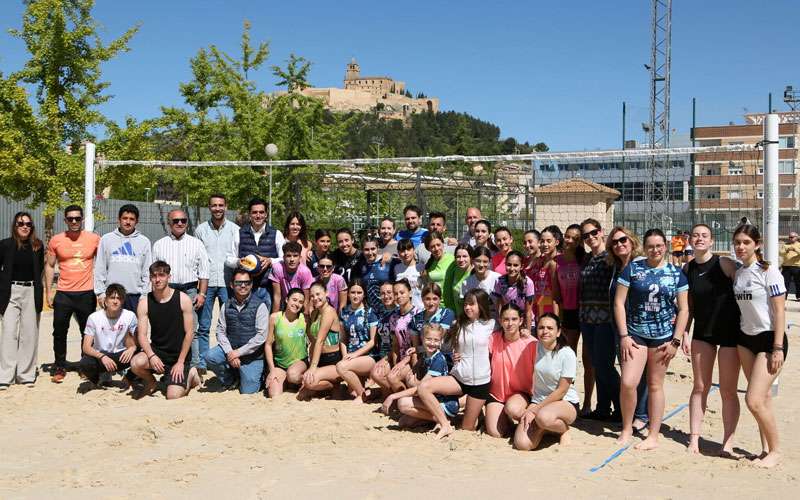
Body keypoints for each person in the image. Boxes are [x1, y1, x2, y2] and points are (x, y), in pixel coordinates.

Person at [614, 228, 689, 449]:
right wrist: (624, 335)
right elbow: (619, 303)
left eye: (659, 246)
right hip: (635, 334)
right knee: (628, 383)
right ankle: (627, 428)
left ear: (665, 246)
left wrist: (675, 341)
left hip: (663, 337)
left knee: (655, 385)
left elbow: (684, 309)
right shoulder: (633, 269)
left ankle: (653, 435)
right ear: (644, 248)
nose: (655, 250)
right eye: (650, 246)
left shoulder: (676, 273)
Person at [732, 224, 787, 468]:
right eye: (737, 242)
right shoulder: (738, 272)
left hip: (769, 339)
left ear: (757, 244)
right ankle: (765, 449)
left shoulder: (768, 271)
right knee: (762, 398)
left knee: (753, 400)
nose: (740, 247)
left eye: (745, 242)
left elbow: (779, 310)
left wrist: (777, 347)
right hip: (745, 338)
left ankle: (776, 451)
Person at [684, 223, 741, 455]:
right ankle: (694, 439)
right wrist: (684, 333)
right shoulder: (687, 270)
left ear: (711, 240)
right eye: (696, 235)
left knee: (728, 390)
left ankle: (728, 441)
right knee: (700, 386)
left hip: (730, 333)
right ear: (690, 240)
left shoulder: (725, 263)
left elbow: (749, 283)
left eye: (704, 236)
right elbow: (687, 307)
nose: (699, 239)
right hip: (703, 333)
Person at [416, 289, 496, 439]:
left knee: (467, 428)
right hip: (459, 377)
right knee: (424, 387)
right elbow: (444, 346)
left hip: (480, 382)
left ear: (481, 305)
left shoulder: (492, 325)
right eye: (465, 304)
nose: (467, 308)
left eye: (472, 304)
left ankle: (476, 412)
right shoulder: (458, 324)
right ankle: (445, 424)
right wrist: (454, 354)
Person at [45, 205, 100, 383]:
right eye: (70, 219)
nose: (74, 221)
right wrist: (48, 291)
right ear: (65, 220)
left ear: (82, 219)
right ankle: (60, 366)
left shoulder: (94, 239)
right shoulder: (56, 240)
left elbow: (103, 264)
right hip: (63, 293)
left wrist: (101, 291)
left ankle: (85, 366)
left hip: (86, 293)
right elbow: (49, 265)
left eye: (77, 218)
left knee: (88, 332)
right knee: (59, 332)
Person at [130, 261, 201, 399]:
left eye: (162, 275)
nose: (158, 279)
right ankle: (151, 382)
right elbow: (142, 336)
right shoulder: (144, 303)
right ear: (150, 278)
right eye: (154, 276)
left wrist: (180, 362)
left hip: (179, 355)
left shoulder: (183, 299)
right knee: (136, 363)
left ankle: (191, 374)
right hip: (158, 352)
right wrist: (151, 355)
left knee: (173, 396)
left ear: (169, 276)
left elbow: (189, 333)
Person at [152, 208, 210, 370]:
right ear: (169, 222)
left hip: (190, 290)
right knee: (169, 329)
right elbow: (153, 273)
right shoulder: (159, 245)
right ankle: (171, 364)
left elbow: (204, 272)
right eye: (175, 220)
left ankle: (195, 365)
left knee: (192, 330)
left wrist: (202, 294)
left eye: (183, 220)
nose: (179, 223)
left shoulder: (196, 244)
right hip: (167, 291)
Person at [513, 313, 580, 450]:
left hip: (565, 402)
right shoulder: (534, 346)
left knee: (543, 417)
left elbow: (562, 391)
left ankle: (563, 429)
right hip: (539, 401)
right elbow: (514, 338)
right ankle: (546, 429)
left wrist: (535, 410)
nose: (545, 331)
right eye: (541, 327)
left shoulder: (567, 354)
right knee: (522, 444)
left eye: (550, 328)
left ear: (558, 332)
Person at [607, 226, 649, 431]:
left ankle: (642, 415)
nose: (619, 244)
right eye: (614, 242)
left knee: (636, 375)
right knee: (628, 371)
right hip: (619, 327)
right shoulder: (616, 266)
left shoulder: (640, 265)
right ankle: (633, 414)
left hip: (637, 327)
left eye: (623, 240)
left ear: (632, 241)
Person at [578, 218, 620, 421]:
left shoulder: (611, 258)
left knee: (605, 365)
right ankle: (603, 408)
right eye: (585, 235)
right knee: (596, 363)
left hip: (606, 319)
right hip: (587, 318)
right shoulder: (586, 259)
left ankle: (621, 407)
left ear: (601, 231)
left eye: (593, 232)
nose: (590, 237)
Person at [381, 324, 461, 428]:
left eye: (436, 340)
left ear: (441, 341)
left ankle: (443, 419)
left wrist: (393, 396)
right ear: (422, 339)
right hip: (433, 400)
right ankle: (437, 419)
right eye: (429, 339)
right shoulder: (426, 356)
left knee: (403, 403)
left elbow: (420, 388)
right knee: (404, 422)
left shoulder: (438, 360)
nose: (432, 343)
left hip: (445, 403)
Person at [202, 269, 268, 394]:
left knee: (248, 391)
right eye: (239, 283)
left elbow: (261, 337)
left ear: (251, 284)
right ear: (232, 285)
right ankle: (230, 379)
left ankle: (251, 374)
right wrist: (230, 352)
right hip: (232, 350)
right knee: (210, 356)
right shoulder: (226, 305)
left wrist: (238, 353)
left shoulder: (260, 306)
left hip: (252, 356)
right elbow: (220, 331)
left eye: (247, 283)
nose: (243, 286)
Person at [194, 194, 239, 373]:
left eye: (221, 205)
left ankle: (227, 360)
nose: (218, 208)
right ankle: (204, 364)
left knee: (229, 325)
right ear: (209, 207)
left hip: (228, 283)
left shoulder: (235, 230)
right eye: (214, 205)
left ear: (226, 207)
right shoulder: (200, 230)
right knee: (204, 326)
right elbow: (197, 257)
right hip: (207, 282)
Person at [0, 212, 45, 388]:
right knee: (9, 333)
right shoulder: (5, 245)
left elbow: (40, 269)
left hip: (31, 291)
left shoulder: (37, 246)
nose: (25, 226)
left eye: (28, 224)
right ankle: (5, 376)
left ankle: (25, 375)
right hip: (10, 292)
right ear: (15, 226)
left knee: (29, 334)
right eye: (21, 223)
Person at [553, 223, 592, 414]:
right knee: (568, 357)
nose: (570, 241)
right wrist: (557, 320)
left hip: (585, 312)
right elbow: (556, 296)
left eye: (575, 238)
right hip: (567, 313)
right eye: (568, 236)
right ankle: (569, 399)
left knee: (588, 360)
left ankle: (587, 404)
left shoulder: (585, 259)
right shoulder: (556, 261)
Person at [484, 304, 537, 438]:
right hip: (496, 394)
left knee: (512, 409)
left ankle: (537, 424)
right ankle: (509, 422)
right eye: (506, 319)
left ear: (521, 321)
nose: (510, 323)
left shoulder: (530, 343)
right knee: (495, 432)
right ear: (500, 321)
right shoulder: (493, 339)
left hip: (521, 393)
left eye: (514, 319)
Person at [227, 197, 284, 310]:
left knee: (265, 325)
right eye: (254, 212)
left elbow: (284, 259)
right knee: (245, 325)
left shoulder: (276, 234)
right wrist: (239, 262)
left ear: (266, 214)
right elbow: (228, 259)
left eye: (261, 212)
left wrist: (270, 261)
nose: (258, 215)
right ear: (249, 214)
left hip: (267, 288)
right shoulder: (239, 233)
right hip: (245, 289)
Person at [94, 203, 152, 313]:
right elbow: (100, 268)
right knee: (111, 329)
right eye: (125, 218)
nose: (128, 222)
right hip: (112, 296)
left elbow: (147, 271)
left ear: (137, 221)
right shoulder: (106, 239)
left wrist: (144, 295)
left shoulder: (144, 242)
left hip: (135, 297)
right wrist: (100, 293)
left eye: (132, 219)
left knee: (134, 330)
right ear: (119, 219)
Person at [78, 283, 137, 387]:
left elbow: (137, 340)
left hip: (121, 355)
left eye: (119, 298)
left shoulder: (130, 316)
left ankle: (129, 377)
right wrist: (102, 357)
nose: (115, 301)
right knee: (85, 363)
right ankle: (97, 380)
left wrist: (132, 348)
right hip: (101, 356)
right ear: (106, 300)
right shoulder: (94, 318)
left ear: (123, 301)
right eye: (112, 298)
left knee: (145, 354)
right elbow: (86, 347)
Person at [298, 282, 343, 400]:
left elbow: (320, 341)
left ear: (326, 293)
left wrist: (312, 367)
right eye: (312, 296)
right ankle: (329, 385)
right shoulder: (315, 313)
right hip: (319, 359)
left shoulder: (329, 312)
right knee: (303, 392)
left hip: (333, 359)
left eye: (318, 294)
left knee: (309, 383)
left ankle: (333, 385)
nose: (315, 298)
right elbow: (312, 339)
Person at [336, 279, 378, 402]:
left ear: (364, 294)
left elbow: (372, 341)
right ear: (348, 294)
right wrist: (345, 355)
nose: (355, 295)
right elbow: (343, 338)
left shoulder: (370, 312)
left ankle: (362, 395)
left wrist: (354, 355)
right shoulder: (344, 312)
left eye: (359, 292)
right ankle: (366, 392)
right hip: (351, 356)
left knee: (341, 367)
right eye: (353, 292)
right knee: (351, 392)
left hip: (368, 357)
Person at [264, 287, 308, 397]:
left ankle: (306, 380)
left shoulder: (305, 319)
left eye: (301, 302)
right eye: (294, 300)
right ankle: (289, 383)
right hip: (280, 364)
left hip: (299, 363)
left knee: (292, 375)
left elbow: (314, 342)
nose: (297, 304)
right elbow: (268, 344)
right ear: (287, 300)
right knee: (273, 394)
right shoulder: (274, 317)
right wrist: (272, 369)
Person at [385, 280, 420, 392]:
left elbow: (418, 345)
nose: (398, 296)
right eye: (395, 293)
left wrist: (404, 362)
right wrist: (396, 364)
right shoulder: (393, 317)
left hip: (415, 358)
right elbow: (395, 345)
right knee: (379, 373)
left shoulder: (418, 314)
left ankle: (403, 398)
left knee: (392, 377)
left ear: (410, 293)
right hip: (401, 357)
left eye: (402, 292)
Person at [368, 282, 397, 397]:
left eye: (389, 292)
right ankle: (386, 395)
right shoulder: (378, 313)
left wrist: (386, 358)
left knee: (377, 374)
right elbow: (374, 340)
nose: (386, 296)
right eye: (382, 294)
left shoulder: (399, 312)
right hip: (382, 354)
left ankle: (395, 395)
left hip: (394, 355)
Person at [492, 251, 535, 329]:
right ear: (505, 264)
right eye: (509, 265)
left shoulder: (528, 283)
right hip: (508, 323)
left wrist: (528, 331)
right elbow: (499, 305)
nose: (512, 268)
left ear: (521, 266)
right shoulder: (499, 281)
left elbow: (528, 311)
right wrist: (502, 323)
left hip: (525, 323)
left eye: (515, 265)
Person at [270, 241, 314, 313]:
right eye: (288, 256)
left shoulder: (305, 272)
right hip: (284, 303)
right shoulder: (277, 268)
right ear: (283, 257)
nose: (292, 259)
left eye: (295, 256)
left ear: (300, 257)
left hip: (300, 305)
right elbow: (277, 296)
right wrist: (275, 317)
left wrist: (304, 319)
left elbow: (306, 299)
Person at [357, 235, 398, 311]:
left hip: (390, 310)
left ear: (378, 248)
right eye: (366, 249)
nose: (370, 253)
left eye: (373, 249)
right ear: (362, 250)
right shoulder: (360, 266)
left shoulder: (389, 261)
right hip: (370, 311)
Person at [529, 225, 560, 320]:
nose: (545, 244)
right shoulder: (540, 260)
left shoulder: (555, 262)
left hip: (550, 312)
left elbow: (556, 295)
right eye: (542, 241)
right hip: (539, 309)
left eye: (549, 241)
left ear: (557, 242)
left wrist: (556, 319)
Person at [461, 246, 501, 314]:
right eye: (478, 261)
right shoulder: (466, 282)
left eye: (485, 261)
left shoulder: (498, 279)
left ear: (490, 262)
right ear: (472, 261)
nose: (481, 265)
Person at [392, 238, 425, 310]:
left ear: (413, 250)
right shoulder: (396, 268)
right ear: (398, 252)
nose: (406, 253)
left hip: (420, 309)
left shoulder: (422, 267)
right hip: (402, 310)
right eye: (402, 251)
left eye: (409, 249)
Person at [443, 244, 472, 312]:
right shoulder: (454, 270)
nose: (461, 259)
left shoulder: (474, 273)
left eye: (465, 256)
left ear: (471, 257)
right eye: (458, 257)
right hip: (458, 316)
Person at [779, 231, 800, 301]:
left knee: (798, 282)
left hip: (796, 266)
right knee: (785, 282)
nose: (790, 238)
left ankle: (799, 296)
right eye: (789, 237)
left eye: (792, 237)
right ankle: (784, 296)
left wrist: (795, 249)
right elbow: (780, 253)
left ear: (796, 238)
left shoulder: (799, 245)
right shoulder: (785, 245)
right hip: (786, 266)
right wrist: (787, 250)